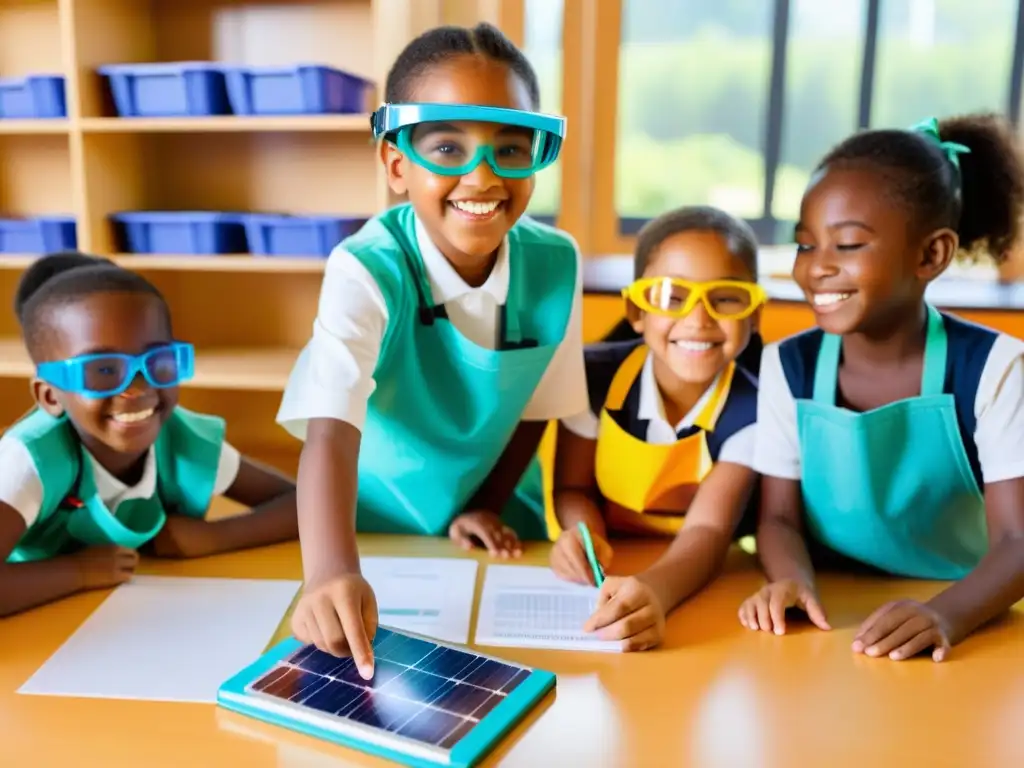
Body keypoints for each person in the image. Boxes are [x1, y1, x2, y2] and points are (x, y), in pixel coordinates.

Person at [276, 22, 587, 674]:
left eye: (511, 147)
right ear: (396, 165)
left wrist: (487, 505)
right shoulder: (365, 268)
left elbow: (539, 408)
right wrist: (330, 570)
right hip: (370, 530)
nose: (483, 176)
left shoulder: (557, 263)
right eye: (448, 148)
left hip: (496, 526)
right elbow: (328, 432)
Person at [738, 114, 1024, 662]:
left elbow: (1016, 542)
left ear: (930, 255)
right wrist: (793, 581)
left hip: (970, 607)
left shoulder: (995, 369)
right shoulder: (786, 365)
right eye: (804, 245)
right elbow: (775, 519)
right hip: (829, 624)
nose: (816, 268)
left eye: (847, 245)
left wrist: (947, 614)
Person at [0, 252, 299, 617]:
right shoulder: (28, 461)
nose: (137, 389)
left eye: (157, 361)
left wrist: (213, 537)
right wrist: (79, 571)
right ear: (50, 396)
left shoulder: (182, 440)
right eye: (103, 370)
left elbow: (302, 504)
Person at [550, 206, 765, 651]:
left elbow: (709, 531)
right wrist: (584, 538)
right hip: (612, 561)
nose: (698, 318)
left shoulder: (757, 406)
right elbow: (573, 489)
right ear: (636, 310)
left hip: (695, 570)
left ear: (754, 315)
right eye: (671, 296)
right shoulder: (592, 379)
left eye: (725, 297)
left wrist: (656, 591)